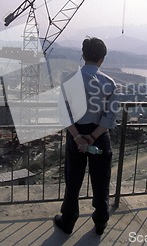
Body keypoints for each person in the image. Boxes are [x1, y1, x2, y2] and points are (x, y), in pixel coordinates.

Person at [53, 37, 118, 235]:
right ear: (102, 59)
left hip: (76, 135)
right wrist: (92, 137)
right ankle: (100, 221)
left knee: (73, 179)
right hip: (99, 136)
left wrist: (78, 137)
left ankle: (68, 220)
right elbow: (110, 116)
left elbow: (64, 113)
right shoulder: (109, 82)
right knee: (101, 179)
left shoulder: (69, 80)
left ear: (83, 55)